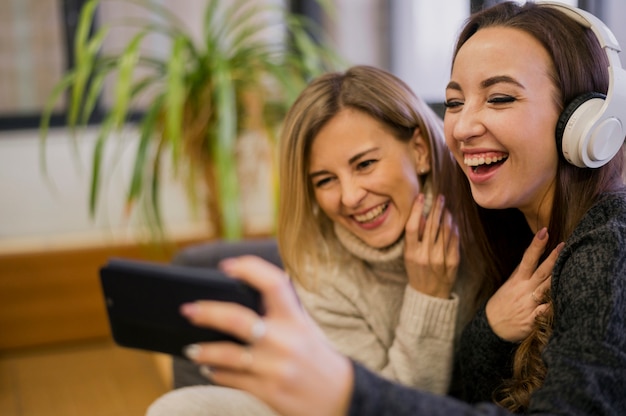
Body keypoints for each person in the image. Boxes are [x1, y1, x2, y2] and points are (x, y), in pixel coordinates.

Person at [171, 2, 626, 415]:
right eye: (453, 103)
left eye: (500, 97)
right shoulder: (505, 219)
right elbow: (475, 393)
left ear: (584, 122)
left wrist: (346, 390)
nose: (464, 126)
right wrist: (486, 327)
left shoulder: (605, 239)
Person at [147, 65, 482, 415]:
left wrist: (489, 326)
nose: (350, 196)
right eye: (325, 181)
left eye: (365, 164)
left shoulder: (484, 219)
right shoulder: (320, 273)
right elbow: (375, 407)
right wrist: (427, 298)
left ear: (420, 151)